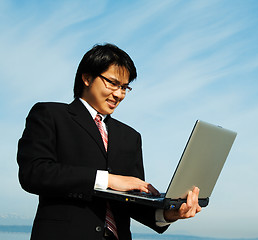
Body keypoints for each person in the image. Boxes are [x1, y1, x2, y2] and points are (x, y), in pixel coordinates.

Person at [17, 43, 201, 240]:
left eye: (124, 87)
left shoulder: (130, 137)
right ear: (87, 78)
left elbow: (132, 202)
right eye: (113, 83)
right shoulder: (50, 114)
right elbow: (34, 173)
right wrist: (108, 180)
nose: (119, 94)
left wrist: (168, 214)